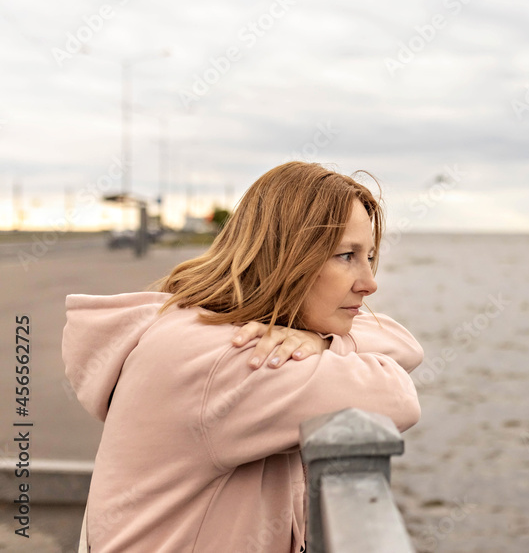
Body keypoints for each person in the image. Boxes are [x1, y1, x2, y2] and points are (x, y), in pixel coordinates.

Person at [62, 161, 423, 552]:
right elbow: (398, 397)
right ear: (285, 255)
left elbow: (403, 343)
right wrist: (327, 342)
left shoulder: (193, 326)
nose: (369, 283)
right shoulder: (229, 360)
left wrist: (321, 342)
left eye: (368, 256)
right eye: (345, 256)